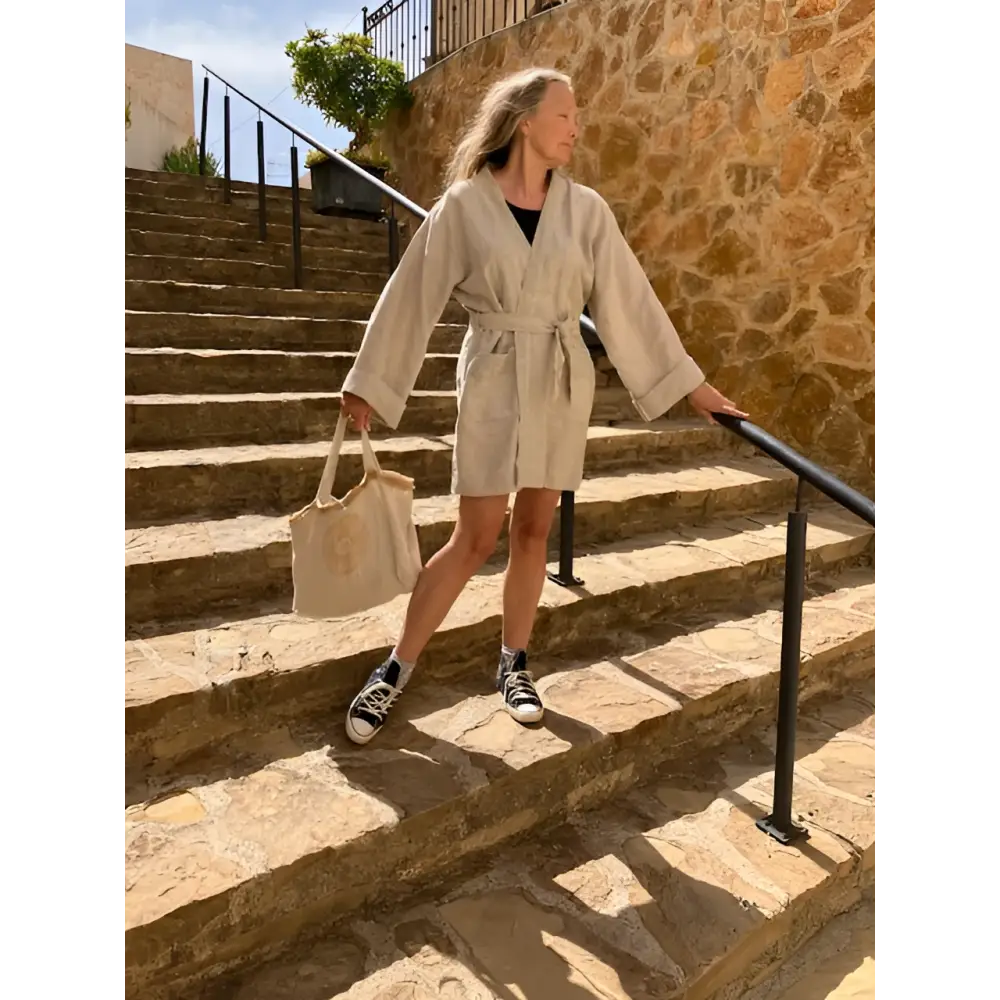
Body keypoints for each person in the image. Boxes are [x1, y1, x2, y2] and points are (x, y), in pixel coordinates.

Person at [339, 67, 747, 745]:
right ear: (525, 120)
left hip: (560, 375)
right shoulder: (465, 206)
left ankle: (513, 664)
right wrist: (371, 384)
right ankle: (396, 667)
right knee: (474, 538)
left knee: (534, 532)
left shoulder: (587, 211)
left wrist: (688, 384)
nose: (576, 128)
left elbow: (628, 299)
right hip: (495, 372)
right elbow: (413, 294)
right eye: (566, 115)